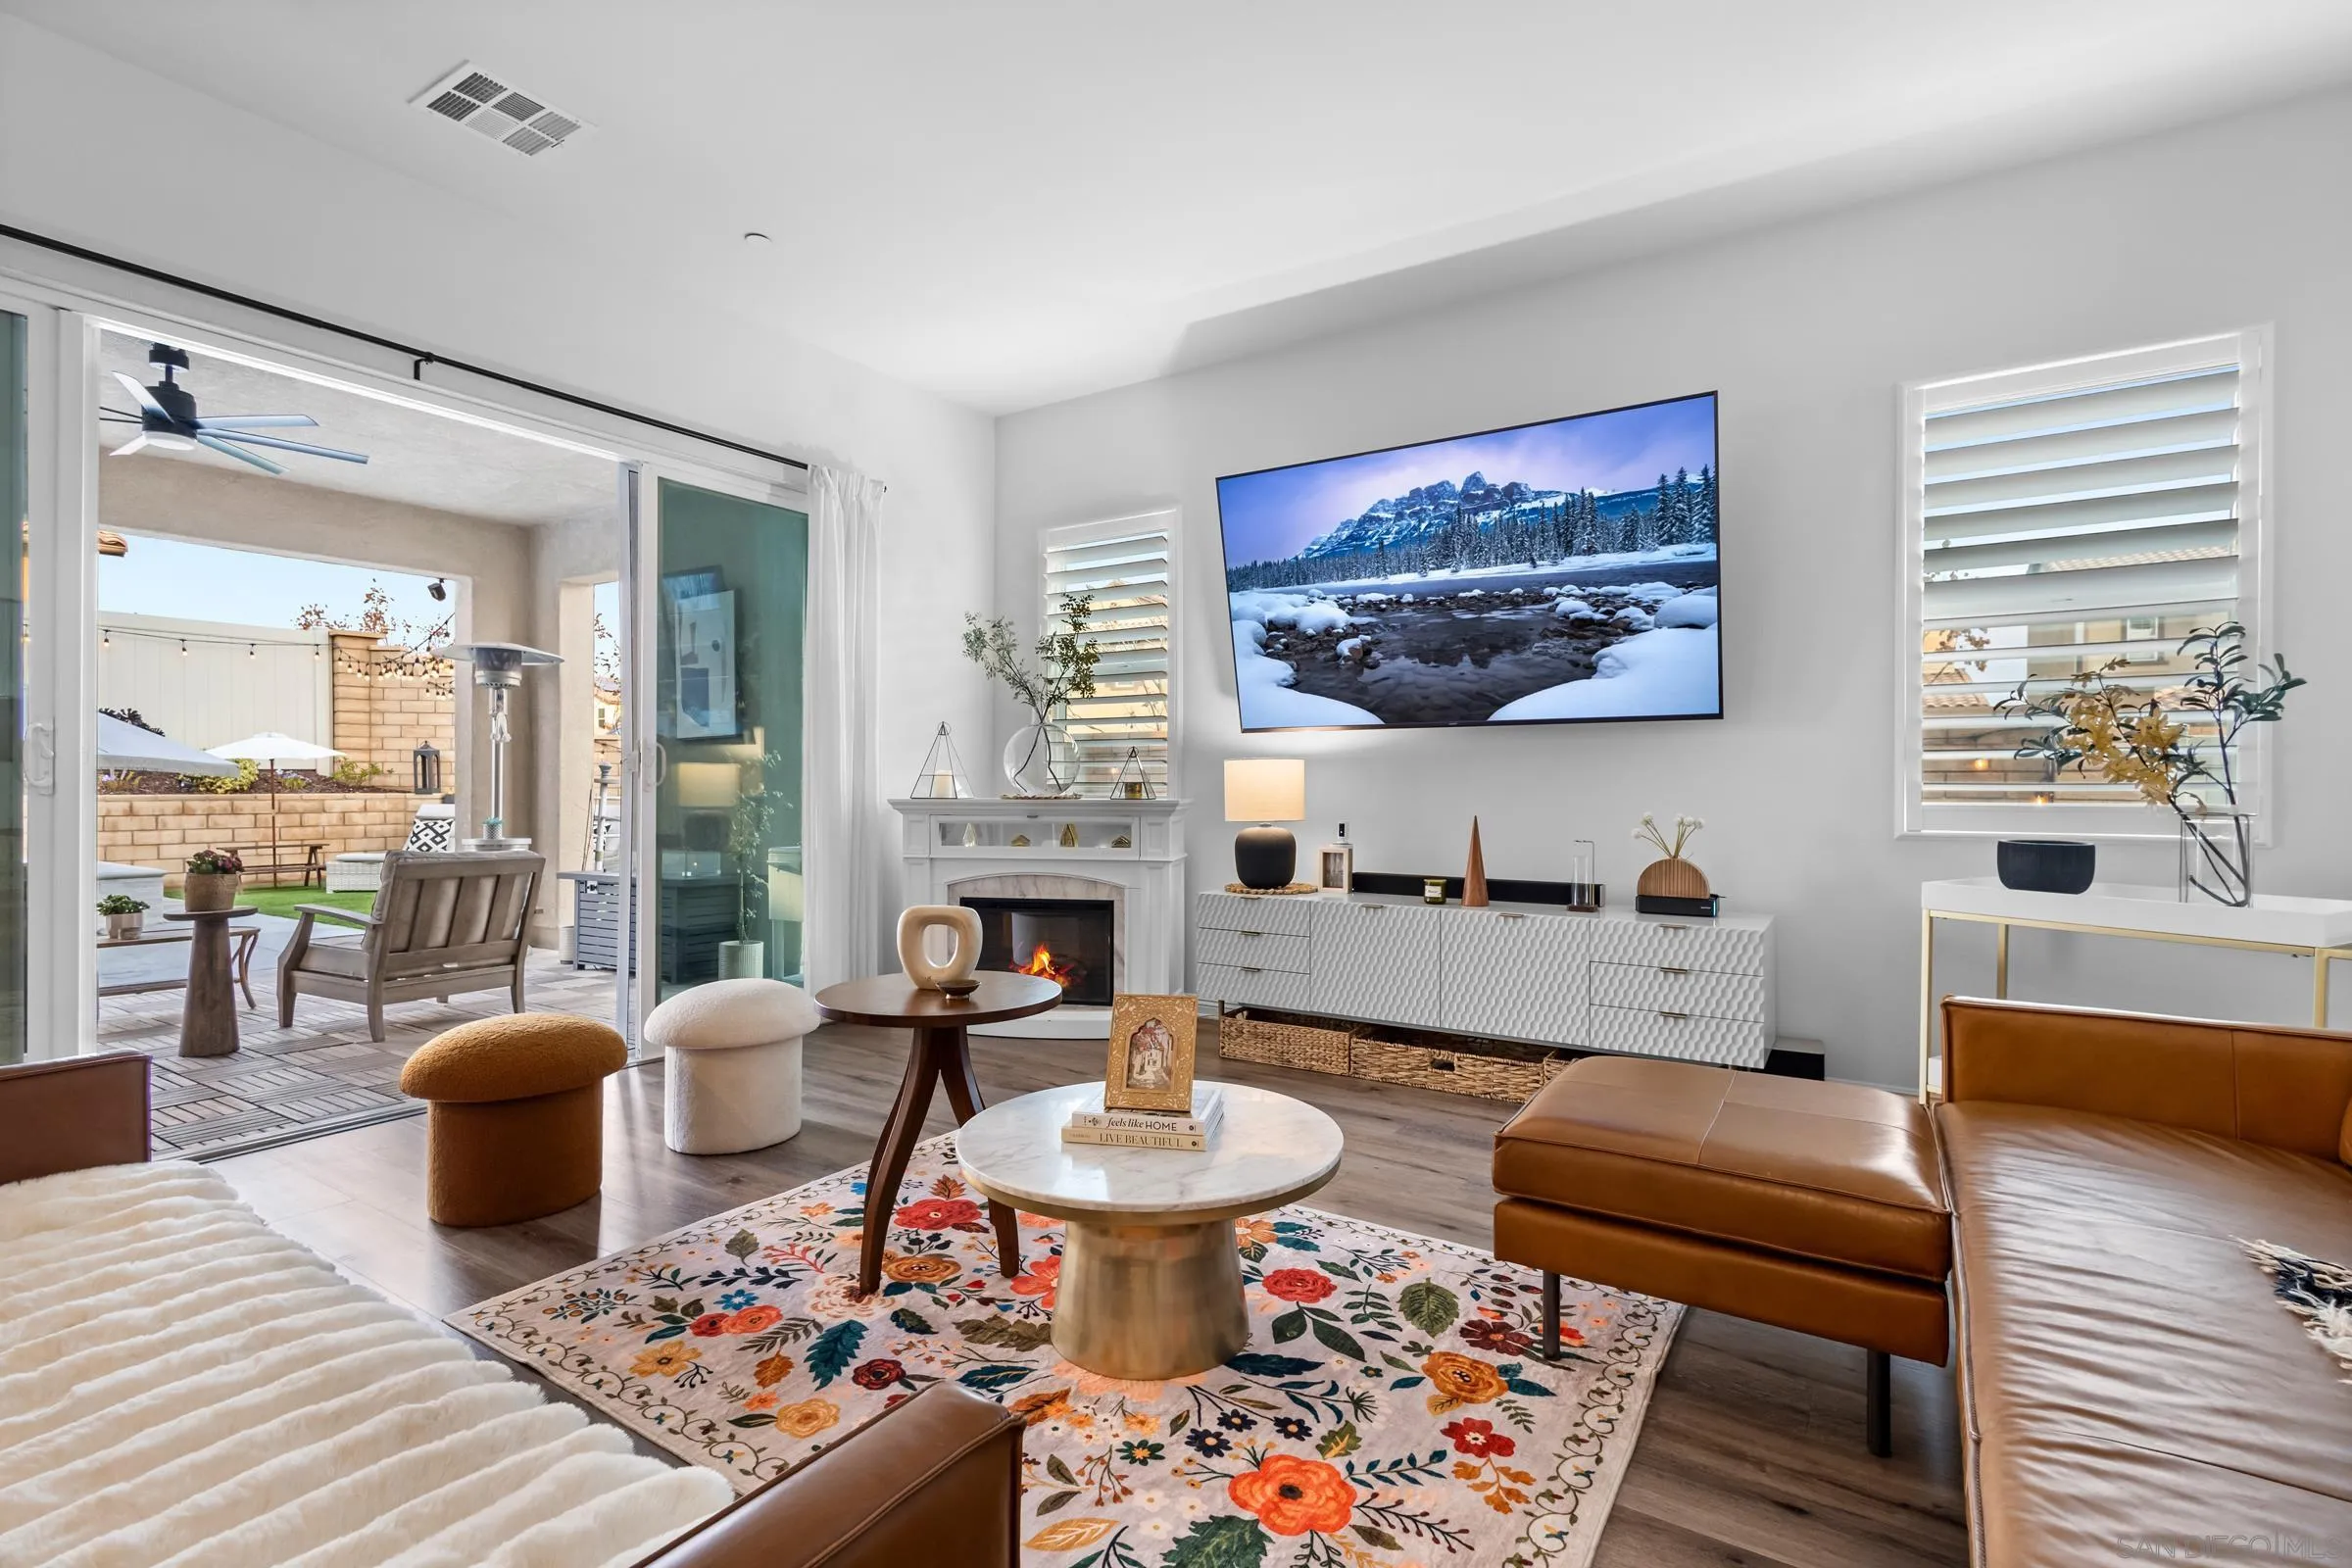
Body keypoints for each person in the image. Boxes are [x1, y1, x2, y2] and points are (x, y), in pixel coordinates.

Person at [1126, 1016, 1173, 1090]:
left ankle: (1140, 1073)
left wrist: (1149, 1046)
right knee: (1138, 1064)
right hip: (1140, 1053)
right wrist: (1142, 1048)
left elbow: (1152, 1044)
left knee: (1142, 1063)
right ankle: (1136, 1074)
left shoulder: (1152, 1036)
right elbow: (1137, 1044)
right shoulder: (1139, 1036)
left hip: (1144, 1053)